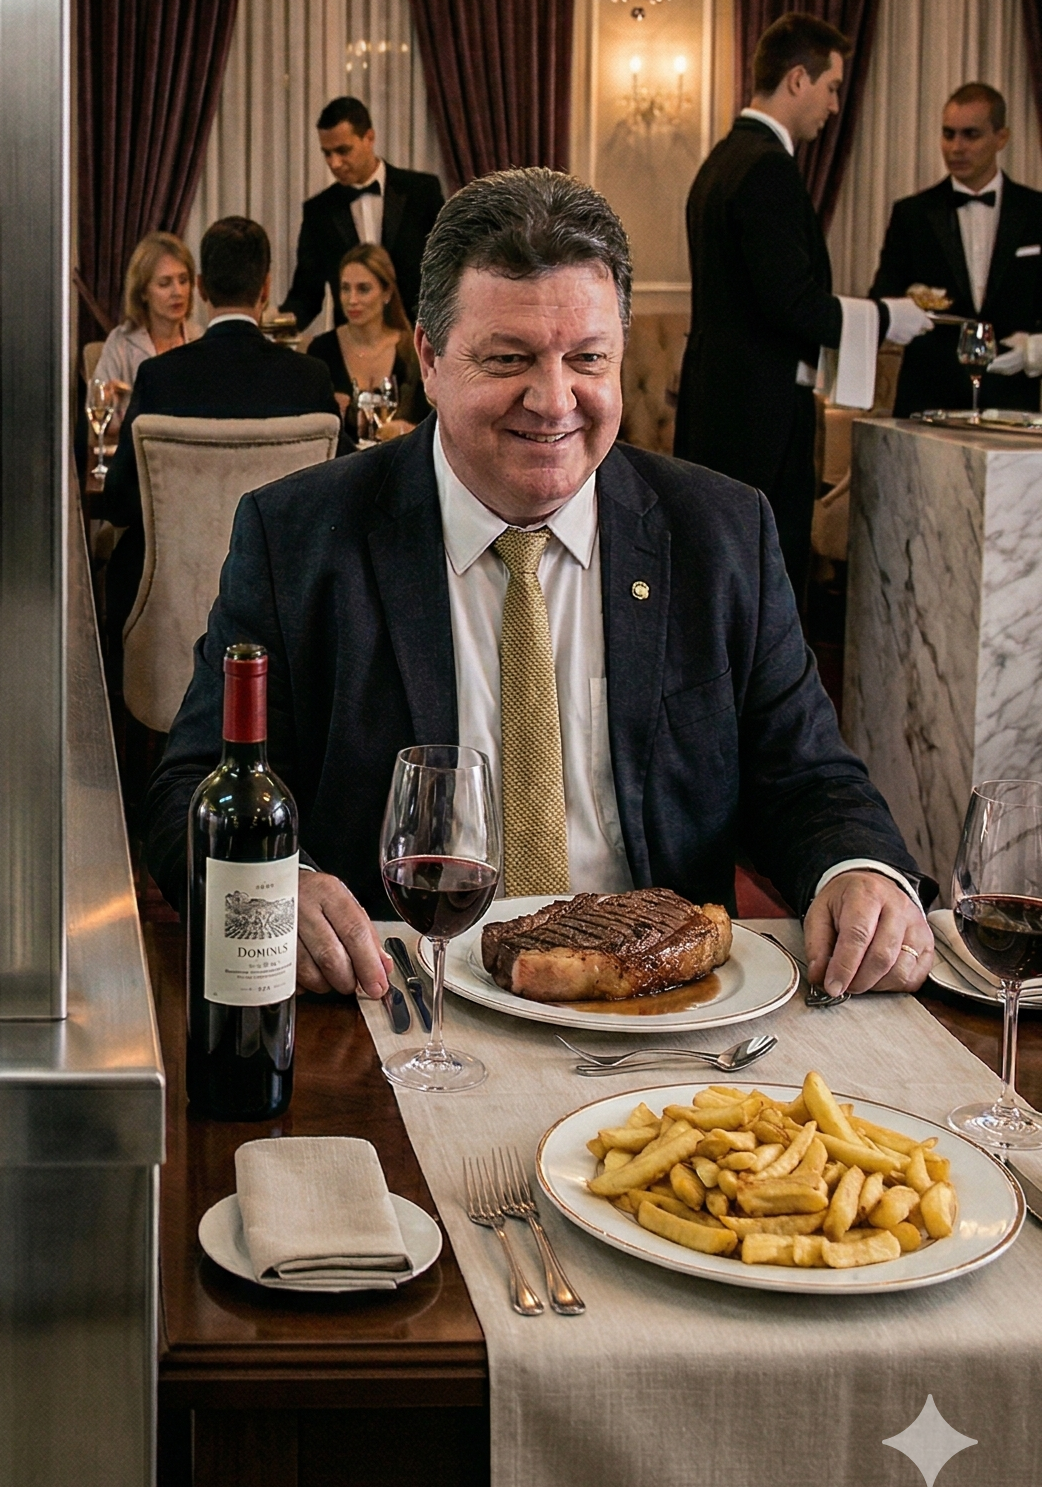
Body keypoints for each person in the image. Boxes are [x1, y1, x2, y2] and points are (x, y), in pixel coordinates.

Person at [149, 169, 933, 1015]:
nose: (554, 401)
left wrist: (859, 871)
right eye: (509, 359)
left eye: (587, 359)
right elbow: (190, 785)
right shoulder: (299, 537)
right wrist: (276, 884)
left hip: (667, 1013)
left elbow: (809, 778)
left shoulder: (720, 535)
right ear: (430, 360)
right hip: (399, 1001)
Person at [674, 13, 931, 597]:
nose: (834, 105)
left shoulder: (723, 159)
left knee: (721, 574)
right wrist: (889, 317)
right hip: (759, 416)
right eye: (831, 87)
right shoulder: (768, 167)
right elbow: (791, 303)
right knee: (766, 580)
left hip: (720, 402)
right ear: (797, 80)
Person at [100, 216, 340, 650]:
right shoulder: (309, 378)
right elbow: (337, 498)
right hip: (284, 607)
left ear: (201, 288)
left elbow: (117, 502)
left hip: (167, 613)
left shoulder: (159, 377)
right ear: (265, 287)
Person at [871, 81, 1042, 416]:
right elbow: (883, 296)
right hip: (929, 398)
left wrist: (1031, 348)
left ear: (1001, 138)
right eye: (948, 134)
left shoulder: (1036, 212)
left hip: (1011, 400)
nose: (956, 147)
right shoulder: (912, 214)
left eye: (970, 135)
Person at [280, 95, 444, 338]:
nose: (334, 163)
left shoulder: (421, 192)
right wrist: (270, 328)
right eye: (327, 153)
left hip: (419, 340)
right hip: (352, 346)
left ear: (369, 137)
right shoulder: (319, 211)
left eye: (343, 151)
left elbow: (446, 269)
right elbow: (306, 296)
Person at [305, 241, 428, 436]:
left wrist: (406, 431)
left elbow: (435, 425)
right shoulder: (322, 351)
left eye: (363, 289)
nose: (352, 300)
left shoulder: (412, 351)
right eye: (345, 288)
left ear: (386, 292)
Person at [92, 229, 201, 390]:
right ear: (143, 291)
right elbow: (98, 400)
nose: (178, 292)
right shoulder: (121, 343)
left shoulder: (200, 339)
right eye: (164, 283)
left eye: (183, 280)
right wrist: (110, 398)